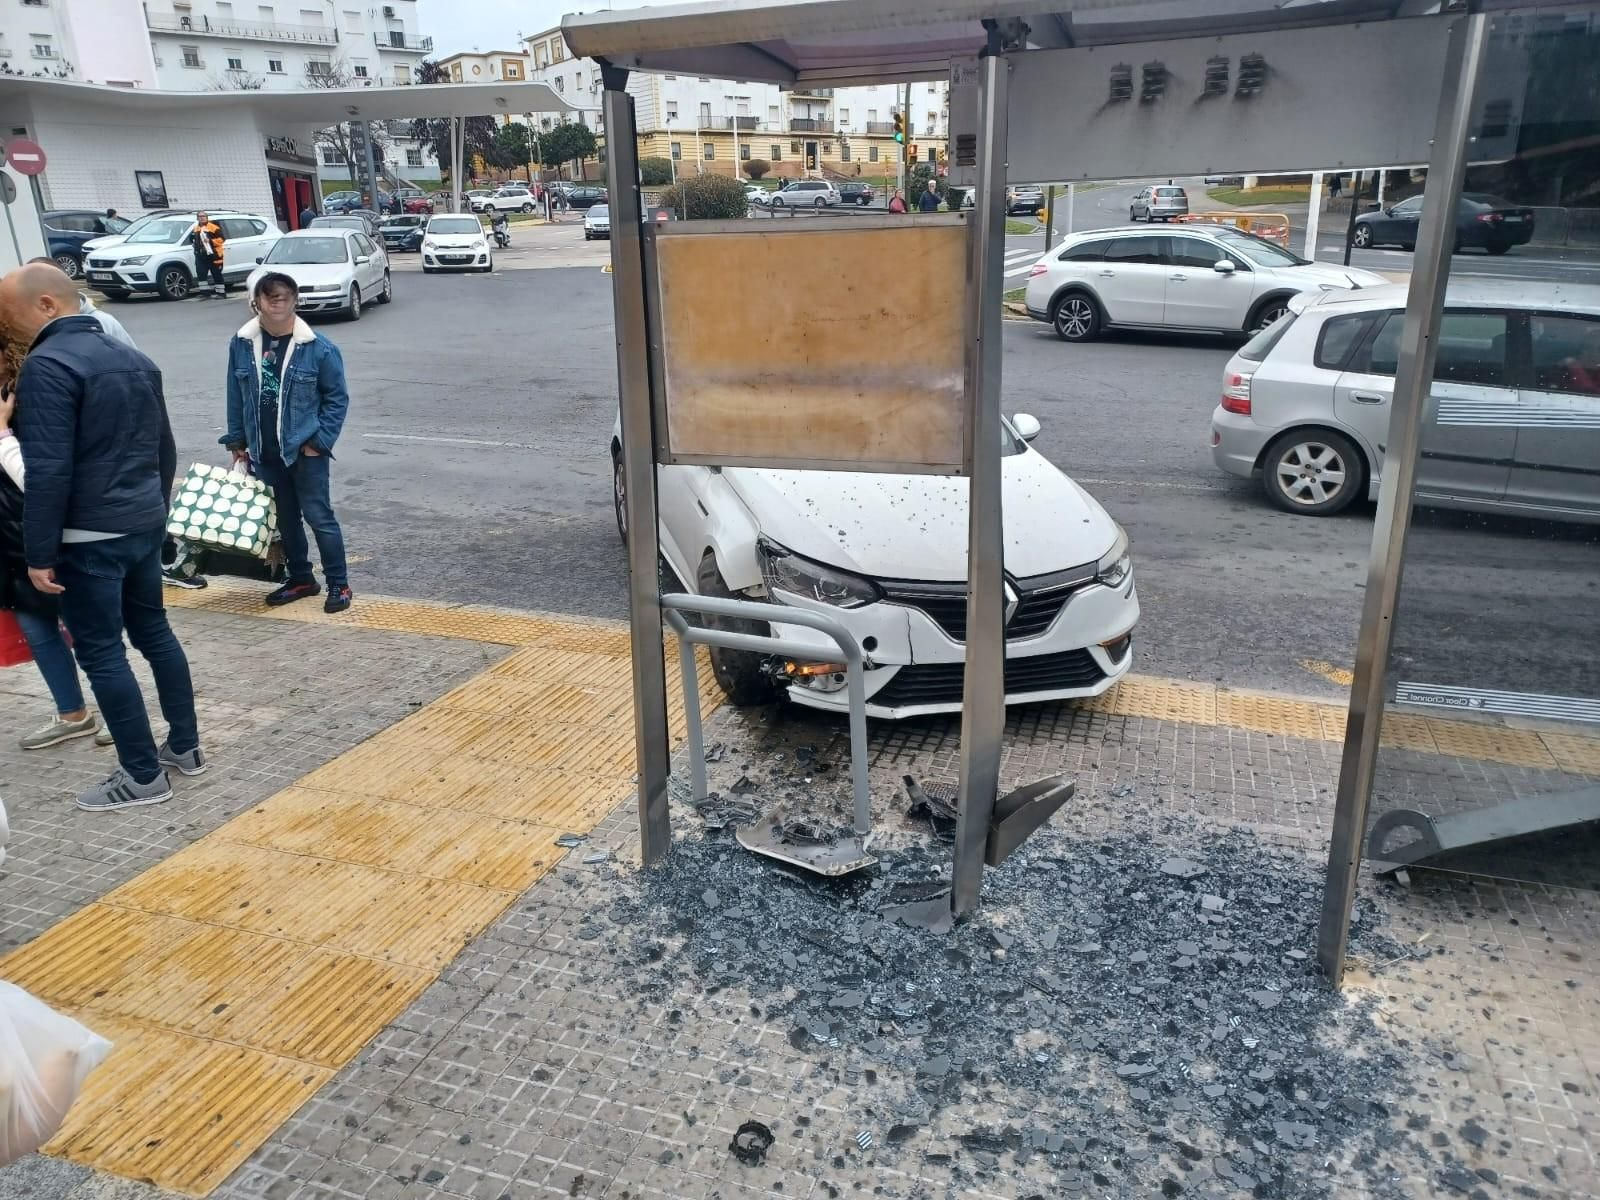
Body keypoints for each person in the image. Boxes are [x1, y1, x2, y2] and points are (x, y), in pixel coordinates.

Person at [0, 262, 203, 811]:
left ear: (46, 304)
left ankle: (141, 775)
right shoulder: (133, 357)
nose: (7, 328)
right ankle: (185, 748)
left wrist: (40, 553)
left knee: (102, 651)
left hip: (88, 536)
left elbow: (49, 471)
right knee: (154, 633)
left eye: (8, 315)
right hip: (140, 523)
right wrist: (155, 515)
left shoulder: (48, 365)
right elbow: (164, 450)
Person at [223, 272, 352, 613]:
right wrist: (237, 440)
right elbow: (235, 395)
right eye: (269, 297)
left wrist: (319, 442)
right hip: (264, 450)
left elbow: (337, 399)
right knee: (285, 519)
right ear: (256, 303)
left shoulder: (319, 348)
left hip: (305, 451)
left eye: (283, 296)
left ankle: (339, 584)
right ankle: (301, 579)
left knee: (319, 517)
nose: (277, 302)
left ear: (295, 300)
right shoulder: (242, 344)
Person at [0, 340, 103, 751]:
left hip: (46, 531)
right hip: (8, 538)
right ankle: (72, 713)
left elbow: (40, 479)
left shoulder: (31, 395)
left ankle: (119, 711)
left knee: (86, 627)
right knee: (35, 626)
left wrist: (2, 431)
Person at [188, 211, 226, 298]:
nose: (202, 218)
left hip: (214, 255)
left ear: (207, 217)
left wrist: (210, 241)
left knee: (216, 274)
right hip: (201, 256)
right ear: (197, 218)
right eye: (200, 216)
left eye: (203, 216)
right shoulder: (196, 228)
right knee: (201, 274)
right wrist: (195, 244)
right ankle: (205, 293)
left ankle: (221, 293)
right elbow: (192, 239)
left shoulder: (213, 227)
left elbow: (222, 239)